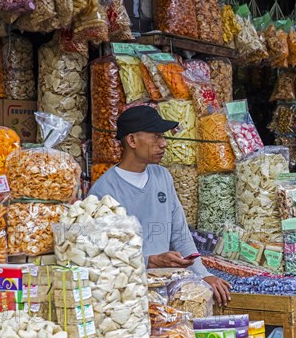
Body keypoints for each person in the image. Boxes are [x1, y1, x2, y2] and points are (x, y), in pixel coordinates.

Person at [89, 105, 232, 305]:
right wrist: (150, 261)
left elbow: (180, 233)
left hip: (166, 291)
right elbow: (100, 253)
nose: (163, 143)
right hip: (125, 297)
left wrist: (202, 274)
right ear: (132, 140)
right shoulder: (104, 191)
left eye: (163, 137)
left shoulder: (162, 176)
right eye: (156, 136)